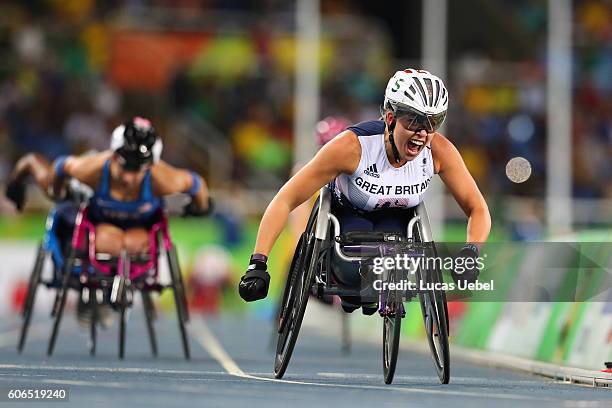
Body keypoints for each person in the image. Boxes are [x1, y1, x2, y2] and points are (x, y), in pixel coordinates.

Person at [239, 69, 491, 313]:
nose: (422, 133)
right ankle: (357, 290)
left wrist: (471, 252)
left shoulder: (440, 152)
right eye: (414, 120)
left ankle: (371, 292)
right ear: (390, 118)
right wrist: (258, 262)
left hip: (398, 224)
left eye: (432, 122)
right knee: (353, 278)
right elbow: (286, 199)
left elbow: (477, 208)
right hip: (349, 220)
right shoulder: (351, 147)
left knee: (382, 277)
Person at [49, 116, 211, 257]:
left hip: (140, 231)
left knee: (133, 243)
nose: (127, 178)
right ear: (113, 156)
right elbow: (61, 166)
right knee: (107, 241)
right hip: (101, 229)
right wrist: (58, 192)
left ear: (149, 166)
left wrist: (201, 207)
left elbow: (196, 183)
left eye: (136, 170)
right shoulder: (93, 169)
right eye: (123, 167)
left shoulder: (162, 178)